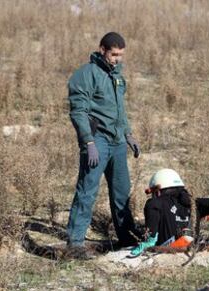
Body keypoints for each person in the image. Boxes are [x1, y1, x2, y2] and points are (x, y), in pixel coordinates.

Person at [66, 32, 141, 259]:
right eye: (114, 54)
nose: (117, 59)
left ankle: (127, 238)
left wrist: (128, 134)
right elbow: (78, 111)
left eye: (121, 55)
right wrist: (88, 141)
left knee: (121, 193)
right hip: (97, 140)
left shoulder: (117, 76)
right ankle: (75, 243)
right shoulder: (86, 75)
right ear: (102, 49)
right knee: (87, 190)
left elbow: (120, 110)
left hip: (117, 142)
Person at [130, 169, 209, 257]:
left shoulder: (155, 203)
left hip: (166, 251)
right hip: (192, 249)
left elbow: (153, 205)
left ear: (158, 191)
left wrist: (150, 241)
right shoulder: (194, 203)